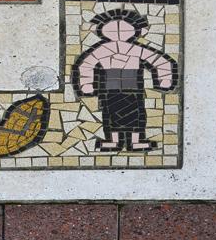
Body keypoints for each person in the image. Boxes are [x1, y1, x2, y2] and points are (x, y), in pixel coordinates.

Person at [72, 9, 177, 151]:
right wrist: (86, 84)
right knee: (110, 113)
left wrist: (165, 79)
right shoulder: (105, 49)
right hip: (110, 87)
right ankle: (115, 141)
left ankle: (135, 141)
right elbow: (86, 64)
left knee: (135, 114)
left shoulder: (133, 49)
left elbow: (158, 61)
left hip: (132, 87)